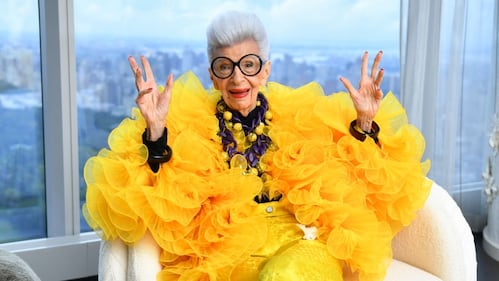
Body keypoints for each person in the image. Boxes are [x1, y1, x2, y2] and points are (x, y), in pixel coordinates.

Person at [83, 10, 431, 281]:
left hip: (300, 243)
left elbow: (354, 173)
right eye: (225, 67)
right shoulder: (190, 124)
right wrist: (157, 131)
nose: (238, 78)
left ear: (265, 70)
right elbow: (155, 195)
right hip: (229, 253)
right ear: (212, 74)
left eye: (248, 65)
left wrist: (366, 123)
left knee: (284, 276)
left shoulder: (301, 114)